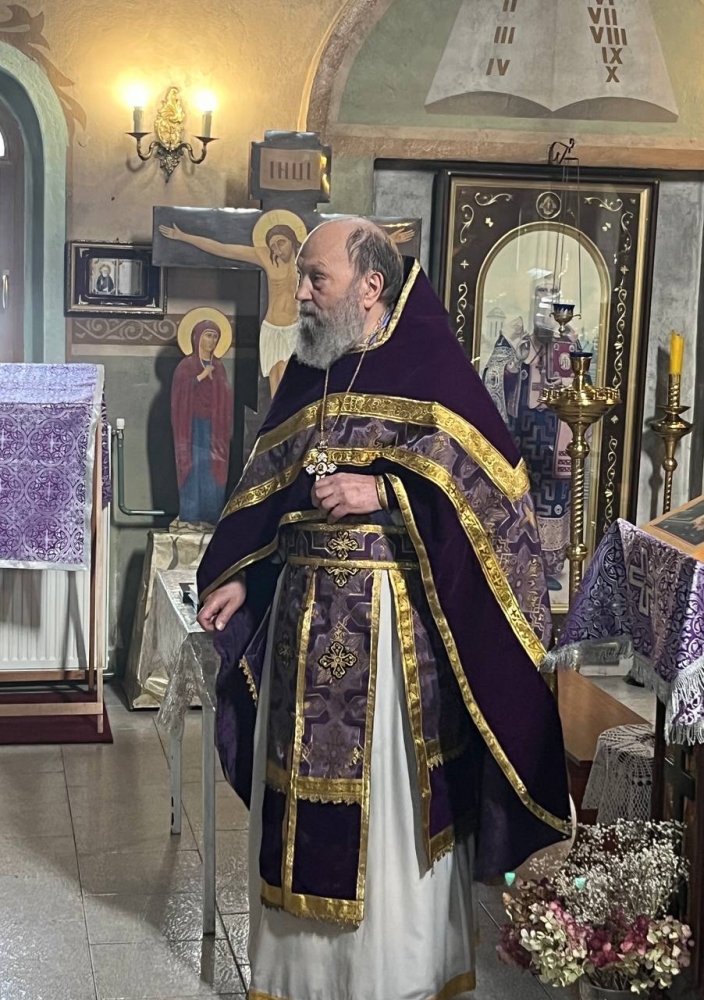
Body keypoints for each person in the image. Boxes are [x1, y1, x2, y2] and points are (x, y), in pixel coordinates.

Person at [196, 218, 571, 1000]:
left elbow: (495, 497)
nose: (301, 293)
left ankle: (394, 977)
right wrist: (244, 577)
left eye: (317, 278)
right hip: (301, 627)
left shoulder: (431, 365)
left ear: (371, 284)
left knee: (390, 812)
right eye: (301, 276)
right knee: (295, 804)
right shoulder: (311, 368)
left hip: (392, 640)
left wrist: (388, 489)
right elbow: (275, 490)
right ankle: (298, 978)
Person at [159, 219, 302, 397]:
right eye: (273, 246)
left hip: (295, 327)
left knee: (290, 375)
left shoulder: (307, 258)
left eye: (281, 243)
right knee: (275, 376)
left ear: (292, 239)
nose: (278, 251)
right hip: (271, 327)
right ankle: (276, 416)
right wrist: (183, 236)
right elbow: (222, 249)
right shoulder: (266, 257)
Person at [170, 319, 233, 525]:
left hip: (215, 428)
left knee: (213, 467)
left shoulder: (219, 367)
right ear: (197, 338)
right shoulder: (186, 366)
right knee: (193, 467)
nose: (211, 341)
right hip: (192, 428)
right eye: (208, 336)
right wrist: (200, 378)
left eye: (215, 337)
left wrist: (220, 387)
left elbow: (226, 398)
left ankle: (211, 515)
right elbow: (179, 395)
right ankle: (190, 515)